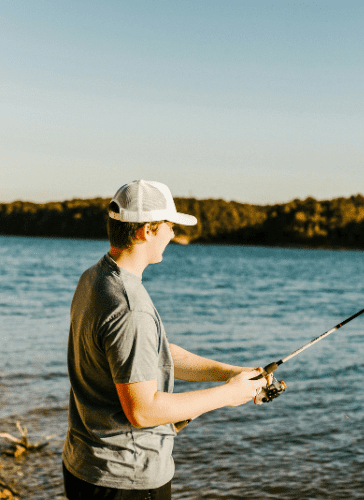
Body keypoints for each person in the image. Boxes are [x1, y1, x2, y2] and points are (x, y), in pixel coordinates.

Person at [62, 180, 270, 500]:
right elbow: (143, 411)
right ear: (147, 230)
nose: (173, 235)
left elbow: (153, 353)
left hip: (86, 465)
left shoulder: (94, 278)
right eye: (169, 226)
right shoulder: (130, 306)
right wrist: (229, 394)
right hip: (125, 480)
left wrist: (231, 373)